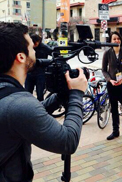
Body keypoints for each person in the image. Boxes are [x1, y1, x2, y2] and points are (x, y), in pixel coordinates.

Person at [0, 22, 88, 181]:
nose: (35, 51)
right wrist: (76, 93)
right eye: (31, 48)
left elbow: (29, 115)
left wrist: (60, 96)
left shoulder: (8, 94)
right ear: (21, 57)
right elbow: (68, 141)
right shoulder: (19, 104)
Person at [102, 31, 122, 140]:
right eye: (114, 39)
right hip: (112, 85)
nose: (117, 41)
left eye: (118, 38)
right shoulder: (107, 53)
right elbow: (104, 70)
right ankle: (115, 131)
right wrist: (110, 80)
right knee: (114, 109)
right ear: (110, 41)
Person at [25, 34, 52, 101]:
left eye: (35, 43)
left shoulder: (44, 47)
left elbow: (55, 55)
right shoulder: (28, 47)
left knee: (40, 94)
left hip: (40, 73)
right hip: (29, 73)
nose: (34, 45)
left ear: (38, 41)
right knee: (27, 94)